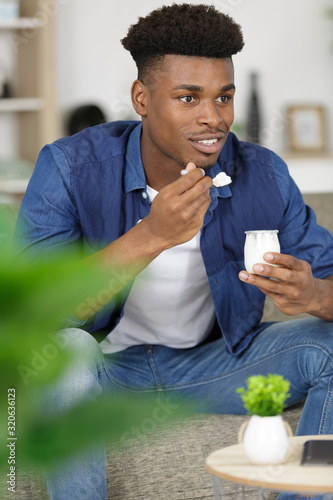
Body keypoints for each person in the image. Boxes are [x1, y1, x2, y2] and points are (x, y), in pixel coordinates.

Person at [14, 4, 333, 499]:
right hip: (104, 372)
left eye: (223, 97)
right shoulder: (70, 167)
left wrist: (313, 294)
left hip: (211, 366)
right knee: (66, 349)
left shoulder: (263, 173)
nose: (213, 118)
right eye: (188, 98)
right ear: (142, 98)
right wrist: (151, 235)